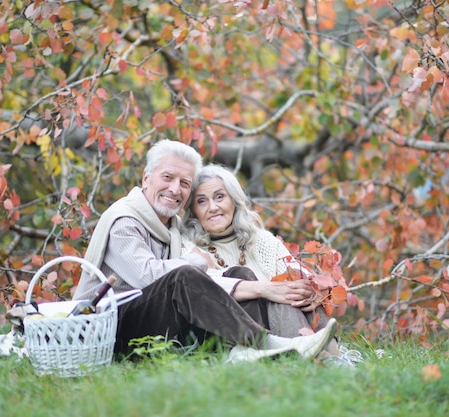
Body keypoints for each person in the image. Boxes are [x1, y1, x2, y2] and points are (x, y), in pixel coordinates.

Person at [72, 139, 337, 363]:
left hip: (151, 324)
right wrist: (194, 262)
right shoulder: (125, 220)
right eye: (167, 177)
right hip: (105, 328)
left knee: (239, 273)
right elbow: (147, 278)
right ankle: (263, 342)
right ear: (146, 178)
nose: (175, 189)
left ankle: (244, 351)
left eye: (184, 183)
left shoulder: (171, 227)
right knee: (183, 275)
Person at [181, 164, 364, 366]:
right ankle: (321, 361)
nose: (213, 207)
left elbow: (298, 273)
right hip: (238, 334)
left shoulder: (261, 240)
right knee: (281, 298)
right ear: (193, 211)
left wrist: (312, 289)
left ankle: (337, 357)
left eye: (219, 197)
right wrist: (269, 291)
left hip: (279, 322)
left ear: (233, 200)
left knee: (301, 289)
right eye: (201, 201)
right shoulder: (190, 248)